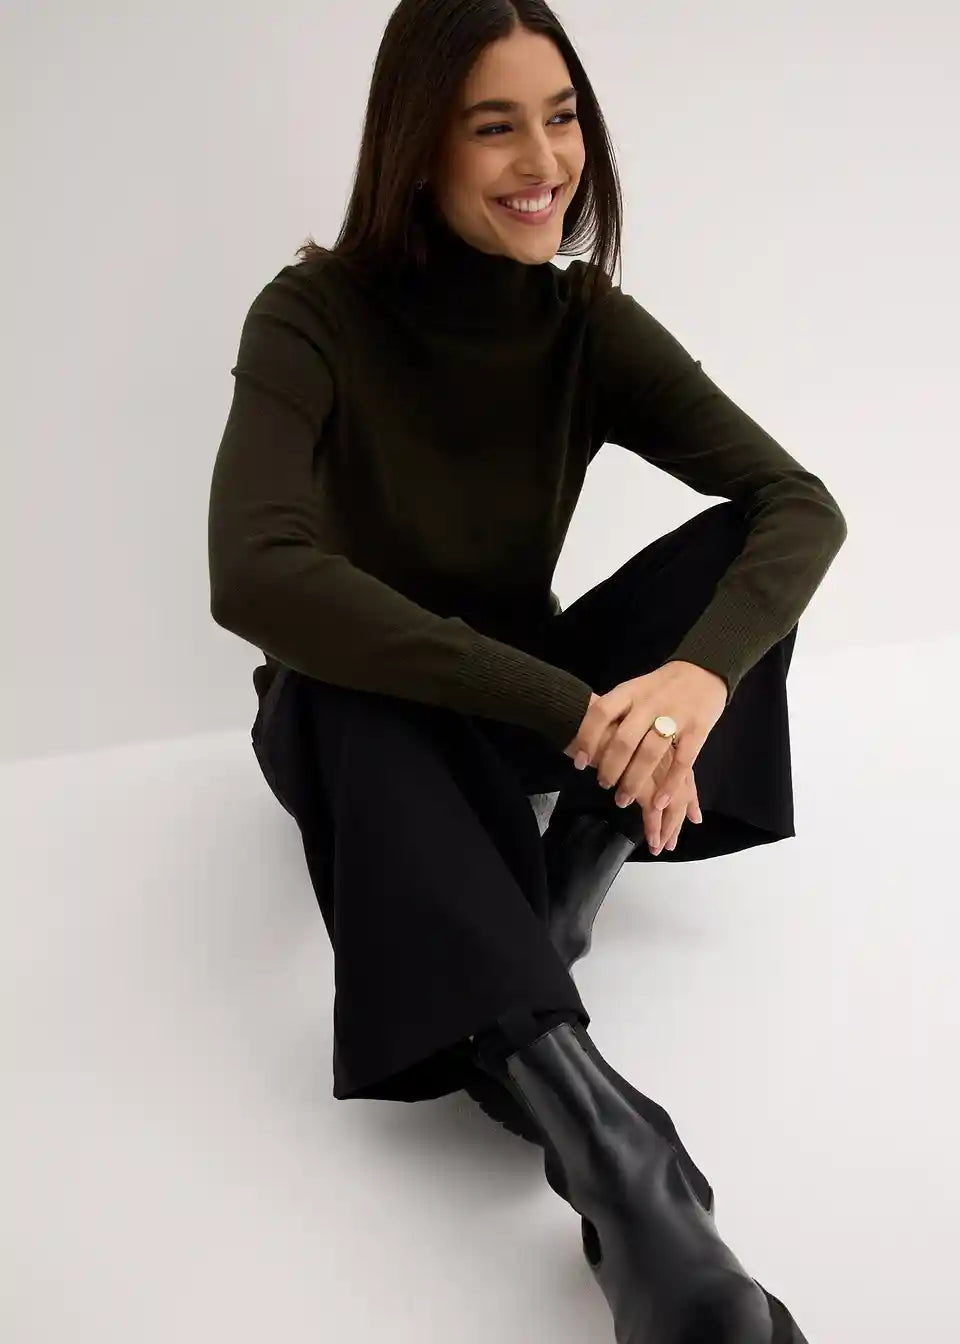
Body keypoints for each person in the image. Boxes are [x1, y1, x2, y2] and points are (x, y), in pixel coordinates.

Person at [207, 2, 846, 1338]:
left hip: (522, 711)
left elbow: (797, 506)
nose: (544, 161)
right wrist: (575, 711)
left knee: (737, 563)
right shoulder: (311, 316)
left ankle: (563, 888)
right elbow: (257, 577)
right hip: (365, 722)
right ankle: (628, 1176)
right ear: (416, 146)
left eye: (560, 118)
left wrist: (694, 684)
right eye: (494, 126)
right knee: (337, 671)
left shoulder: (582, 322)